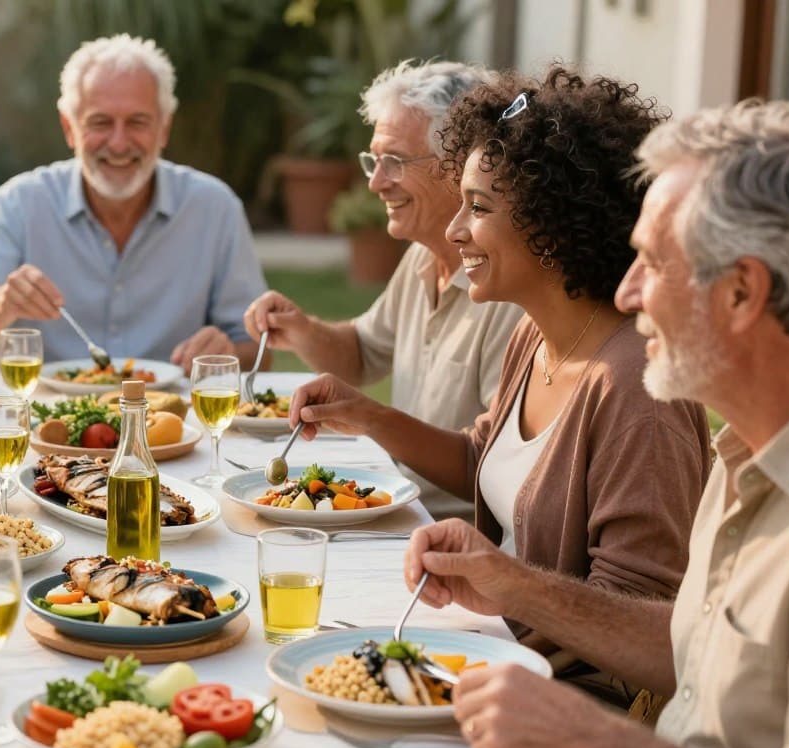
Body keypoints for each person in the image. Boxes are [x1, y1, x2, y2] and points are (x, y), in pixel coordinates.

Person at [404, 99, 789, 748]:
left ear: (741, 293)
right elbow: (693, 643)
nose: (625, 294)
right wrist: (512, 583)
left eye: (652, 263)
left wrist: (593, 742)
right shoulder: (747, 457)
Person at [290, 67, 712, 689]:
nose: (456, 228)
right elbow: (479, 458)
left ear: (553, 225)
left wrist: (509, 586)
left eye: (479, 207)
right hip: (488, 655)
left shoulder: (637, 391)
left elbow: (651, 632)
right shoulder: (534, 334)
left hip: (563, 707)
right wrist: (367, 415)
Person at [244, 60, 524, 520]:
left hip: (447, 536)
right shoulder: (421, 256)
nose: (375, 182)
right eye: (375, 160)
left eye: (395, 161)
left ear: (459, 166)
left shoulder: (508, 294)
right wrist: (302, 330)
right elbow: (361, 353)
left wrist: (371, 417)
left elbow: (494, 467)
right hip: (392, 512)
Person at [0, 34, 268, 372]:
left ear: (164, 128)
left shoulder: (214, 207)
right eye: (100, 122)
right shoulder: (21, 203)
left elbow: (260, 351)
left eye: (137, 122)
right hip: (46, 421)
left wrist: (228, 352)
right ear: (69, 128)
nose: (119, 143)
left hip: (173, 421)